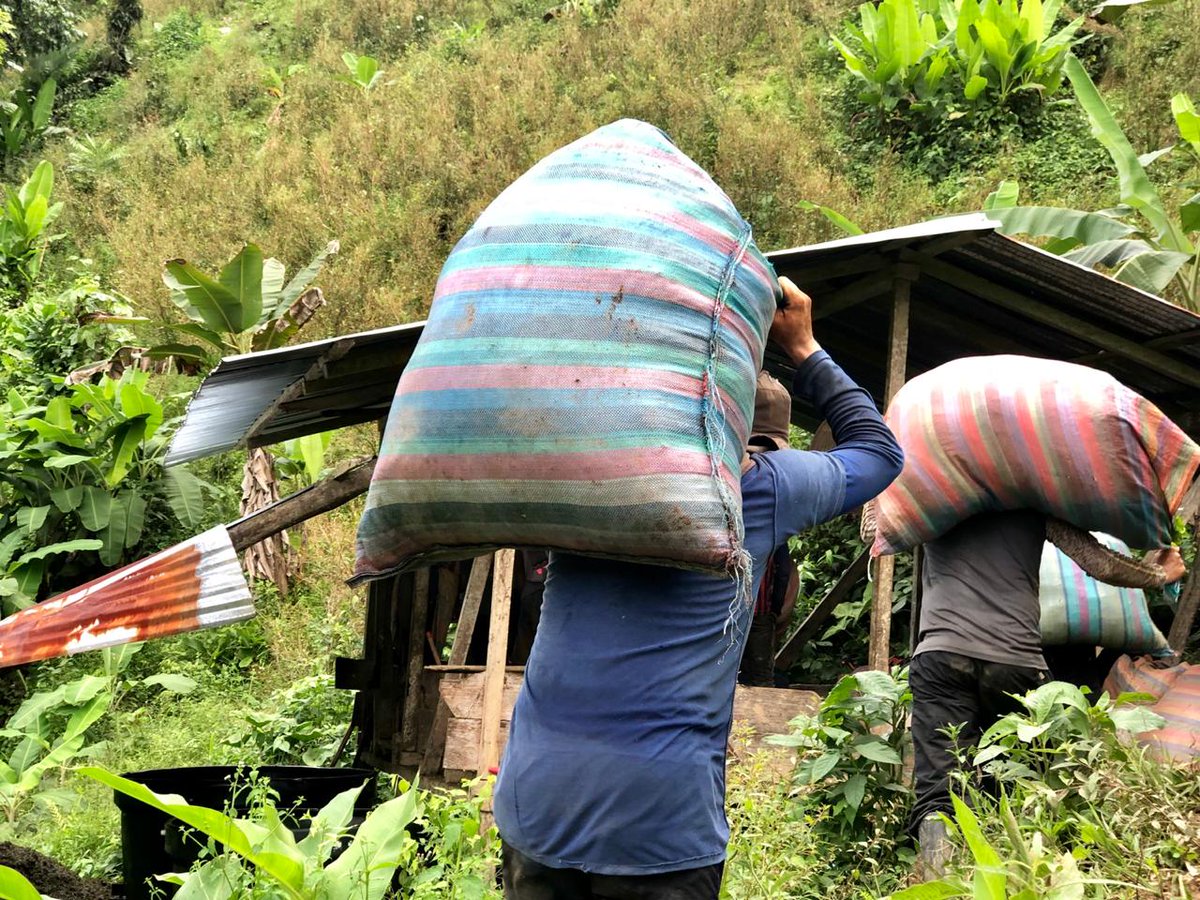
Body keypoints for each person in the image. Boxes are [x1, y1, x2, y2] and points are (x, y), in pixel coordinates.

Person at [494, 276, 905, 899]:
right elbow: (878, 451)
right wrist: (803, 346)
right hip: (659, 827)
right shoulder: (760, 490)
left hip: (537, 807)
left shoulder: (579, 468)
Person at [909, 510, 1187, 875]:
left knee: (938, 790)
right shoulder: (1033, 501)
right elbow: (1101, 563)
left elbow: (875, 527)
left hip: (941, 656)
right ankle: (1013, 875)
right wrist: (1158, 573)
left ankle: (937, 877)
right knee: (1012, 777)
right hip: (1015, 660)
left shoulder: (933, 497)